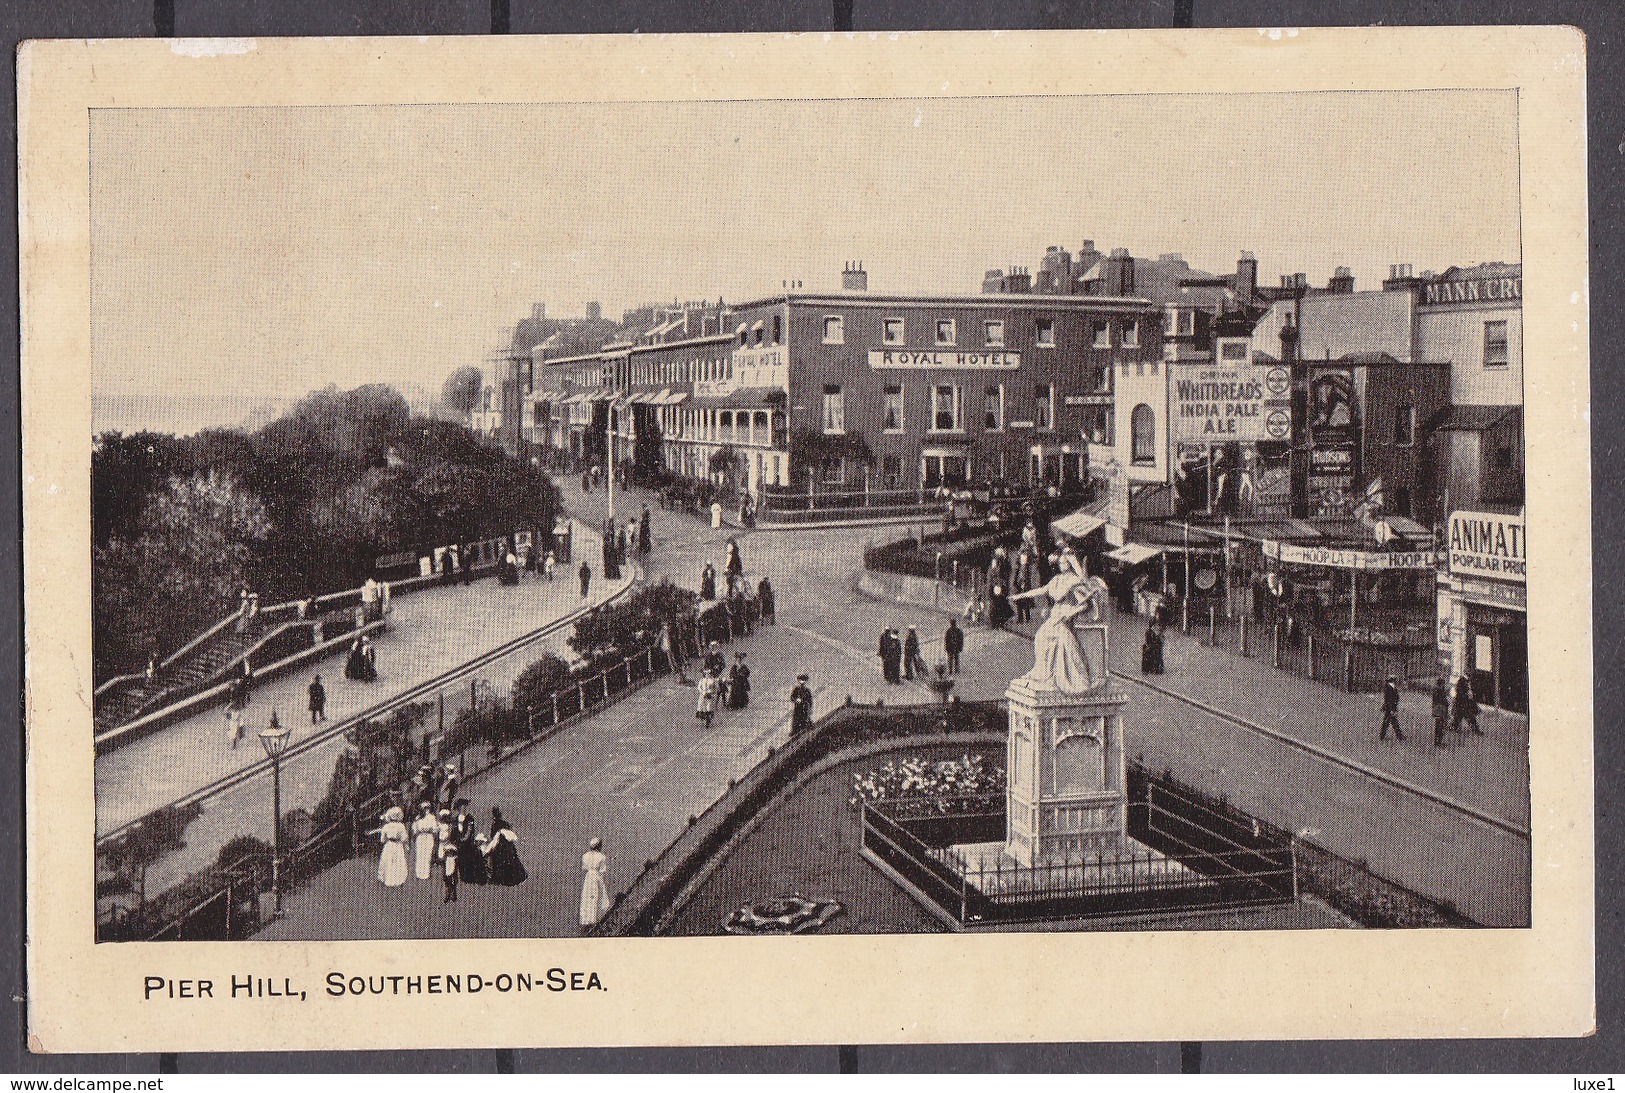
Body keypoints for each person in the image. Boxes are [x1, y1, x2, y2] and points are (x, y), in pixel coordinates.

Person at [1011, 573, 1108, 694]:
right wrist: (1021, 596)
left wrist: (1071, 612)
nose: (1061, 564)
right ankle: (1043, 672)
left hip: (1062, 619)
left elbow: (1084, 604)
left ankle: (1051, 675)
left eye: (1064, 562)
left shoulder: (1074, 581)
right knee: (1040, 638)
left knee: (1050, 640)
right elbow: (1041, 591)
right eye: (1060, 562)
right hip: (1055, 616)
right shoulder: (1056, 579)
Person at [482, 808, 528, 886]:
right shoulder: (504, 824)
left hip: (501, 848)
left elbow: (494, 838)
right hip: (507, 847)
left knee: (500, 862)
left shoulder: (495, 825)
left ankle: (500, 879)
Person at [579, 838, 611, 933]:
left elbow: (584, 868)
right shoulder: (602, 857)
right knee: (597, 896)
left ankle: (588, 919)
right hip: (597, 877)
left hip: (588, 878)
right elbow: (602, 870)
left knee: (588, 897)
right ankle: (596, 918)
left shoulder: (585, 856)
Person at [373, 807, 409, 888]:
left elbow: (382, 840)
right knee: (398, 862)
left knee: (388, 861)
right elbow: (404, 838)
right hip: (398, 845)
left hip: (389, 845)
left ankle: (387, 879)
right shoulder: (401, 826)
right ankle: (398, 880)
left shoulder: (386, 826)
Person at [453, 800, 487, 886]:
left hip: (467, 843)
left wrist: (464, 839)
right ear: (459, 808)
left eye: (465, 807)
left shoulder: (469, 818)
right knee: (461, 860)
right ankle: (463, 877)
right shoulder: (455, 819)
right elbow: (454, 832)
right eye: (462, 807)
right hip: (459, 843)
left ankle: (470, 877)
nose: (464, 808)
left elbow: (470, 831)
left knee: (469, 858)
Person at [411, 802, 439, 881]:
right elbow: (414, 828)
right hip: (420, 837)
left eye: (427, 808)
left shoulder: (432, 817)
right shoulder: (418, 818)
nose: (426, 810)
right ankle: (419, 874)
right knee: (420, 854)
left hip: (428, 837)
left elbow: (435, 829)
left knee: (427, 855)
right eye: (424, 808)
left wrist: (430, 830)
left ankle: (426, 874)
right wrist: (416, 832)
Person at [436, 809, 458, 904]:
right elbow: (437, 838)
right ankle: (449, 889)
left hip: (450, 849)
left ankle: (451, 890)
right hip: (442, 849)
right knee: (445, 872)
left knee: (451, 870)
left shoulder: (452, 827)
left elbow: (453, 839)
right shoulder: (439, 826)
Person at [1379, 675, 1405, 741]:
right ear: (1393, 680)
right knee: (1389, 722)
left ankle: (1383, 736)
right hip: (1390, 708)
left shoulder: (1391, 687)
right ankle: (1399, 736)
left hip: (1390, 707)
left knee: (1391, 722)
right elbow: (1389, 700)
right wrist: (1391, 709)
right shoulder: (1389, 687)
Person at [1431, 677, 1451, 748]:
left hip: (1437, 710)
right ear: (1441, 684)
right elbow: (1444, 701)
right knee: (1441, 726)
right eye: (1443, 684)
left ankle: (1437, 742)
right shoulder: (1440, 691)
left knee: (1438, 726)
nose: (1444, 685)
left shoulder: (1436, 690)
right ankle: (1438, 742)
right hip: (1441, 710)